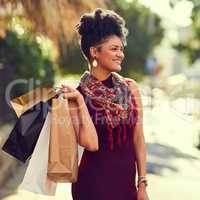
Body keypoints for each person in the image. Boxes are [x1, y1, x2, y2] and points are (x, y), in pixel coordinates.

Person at [60, 8, 149, 200]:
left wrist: (142, 184)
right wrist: (82, 104)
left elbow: (138, 138)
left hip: (127, 187)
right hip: (92, 186)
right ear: (94, 52)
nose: (121, 55)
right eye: (114, 49)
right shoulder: (77, 96)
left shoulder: (131, 88)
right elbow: (91, 144)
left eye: (121, 49)